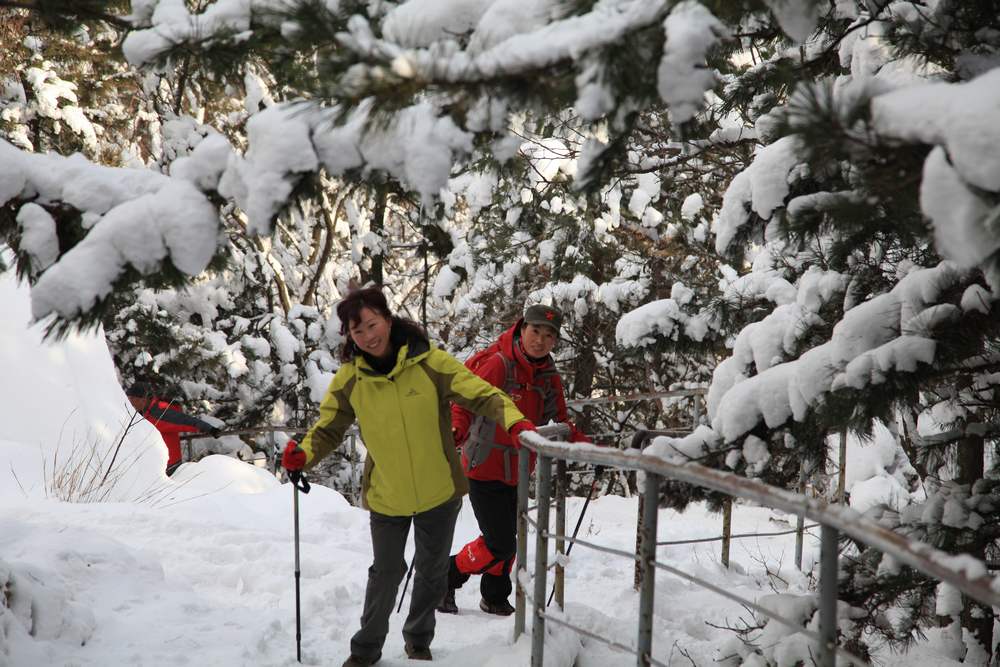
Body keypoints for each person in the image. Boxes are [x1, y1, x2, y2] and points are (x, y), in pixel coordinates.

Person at [281, 287, 535, 667]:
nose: (369, 336)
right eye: (358, 330)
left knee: (432, 572)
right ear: (349, 336)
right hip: (388, 494)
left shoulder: (430, 362)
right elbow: (329, 428)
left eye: (372, 324)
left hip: (439, 491)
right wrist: (304, 453)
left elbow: (482, 394)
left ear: (387, 318)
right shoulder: (351, 379)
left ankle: (418, 638)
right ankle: (365, 649)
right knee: (386, 571)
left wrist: (514, 422)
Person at [438, 304, 590, 616]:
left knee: (509, 535)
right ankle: (446, 575)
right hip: (484, 465)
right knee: (500, 542)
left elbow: (560, 420)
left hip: (519, 469)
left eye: (549, 336)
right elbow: (465, 403)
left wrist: (587, 447)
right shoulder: (498, 364)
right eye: (536, 332)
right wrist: (456, 431)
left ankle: (494, 596)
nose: (541, 340)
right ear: (522, 329)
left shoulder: (548, 376)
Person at [125, 381, 219, 476]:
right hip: (159, 466)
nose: (129, 402)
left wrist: (209, 428)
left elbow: (184, 421)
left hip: (168, 467)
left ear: (142, 399)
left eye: (132, 398)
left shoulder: (159, 413)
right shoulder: (146, 413)